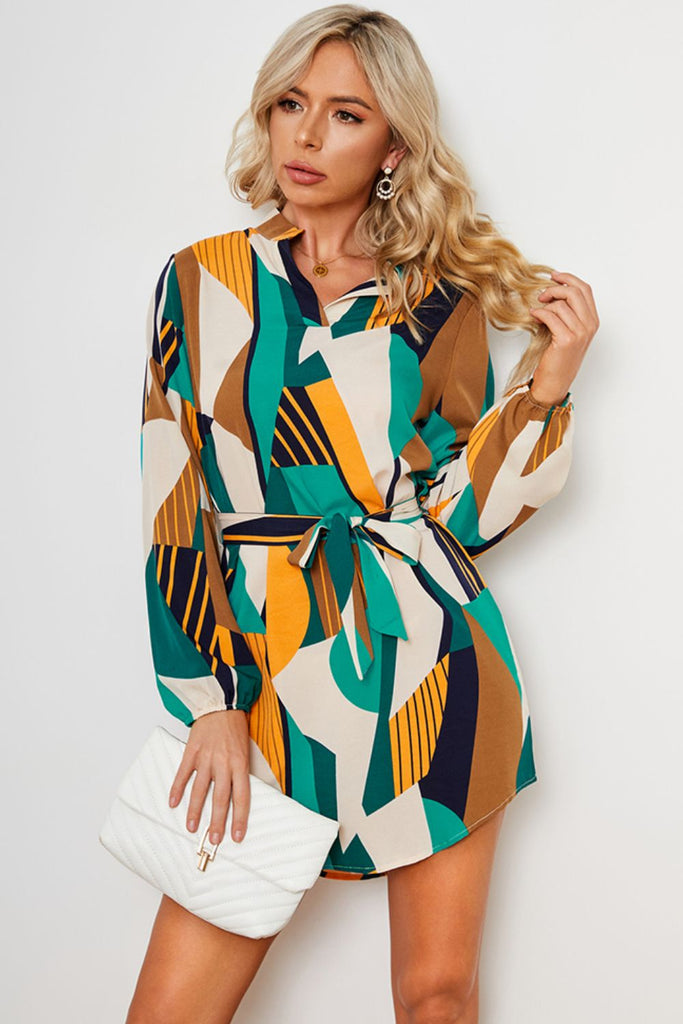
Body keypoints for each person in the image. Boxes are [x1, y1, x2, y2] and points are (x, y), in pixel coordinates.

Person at [126, 5, 599, 1022]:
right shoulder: (202, 280)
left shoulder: (438, 300)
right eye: (290, 103)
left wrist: (547, 384)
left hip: (430, 663)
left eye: (345, 114)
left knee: (435, 995)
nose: (305, 134)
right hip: (260, 674)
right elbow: (174, 501)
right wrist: (209, 701)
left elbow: (457, 521)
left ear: (392, 148)